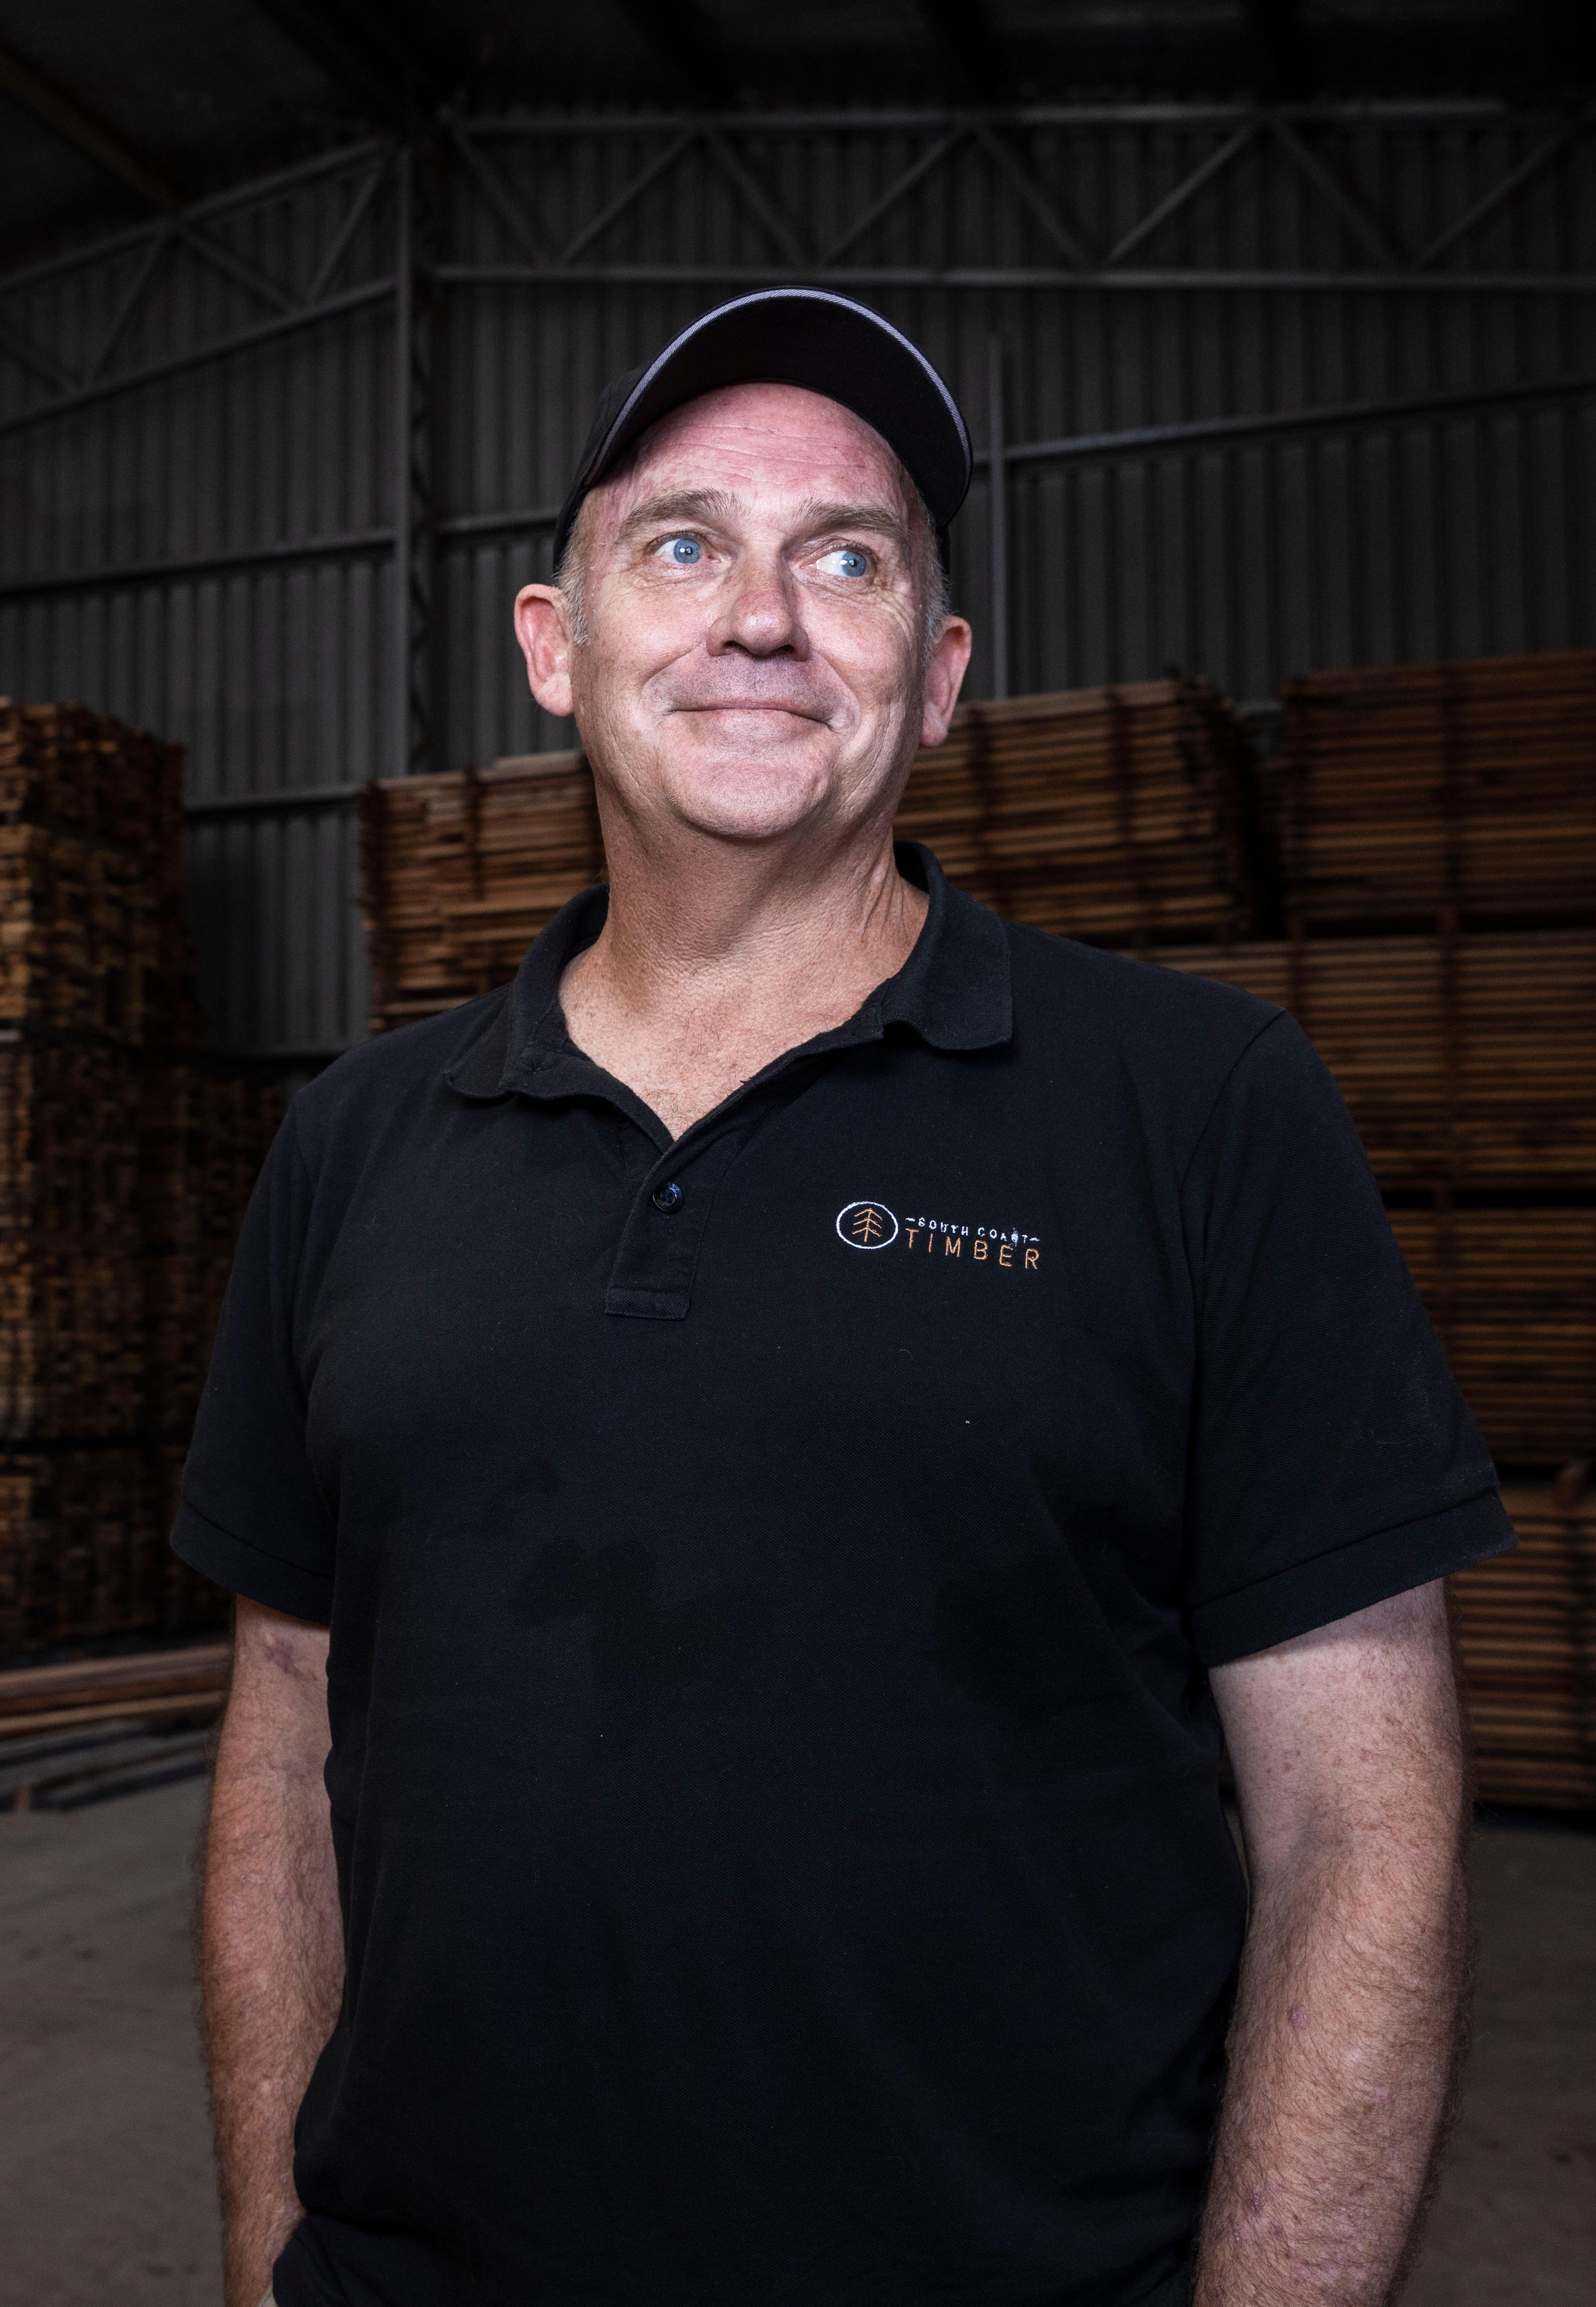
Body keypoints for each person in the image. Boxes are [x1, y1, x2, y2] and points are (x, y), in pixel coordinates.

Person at [178, 288, 1505, 2307]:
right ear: (556, 645)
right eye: (684, 545)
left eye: (849, 559)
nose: (764, 618)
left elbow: (1362, 1830)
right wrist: (275, 2261)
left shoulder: (1200, 1108)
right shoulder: (361, 1140)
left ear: (943, 672)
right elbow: (285, 1730)